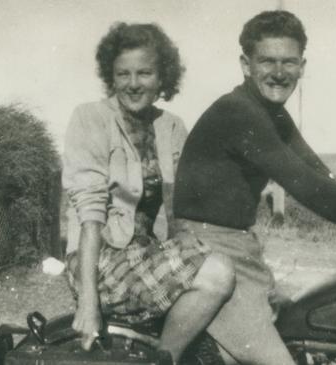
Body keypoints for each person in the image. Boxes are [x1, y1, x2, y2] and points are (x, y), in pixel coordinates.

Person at [173, 10, 336, 365]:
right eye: (267, 61)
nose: (279, 72)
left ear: (302, 66)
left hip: (237, 247)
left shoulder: (269, 112)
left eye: (288, 62)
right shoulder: (238, 112)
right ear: (246, 64)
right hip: (208, 248)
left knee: (304, 331)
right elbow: (305, 185)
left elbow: (313, 169)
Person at [62, 22, 235, 363]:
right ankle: (164, 358)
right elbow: (90, 214)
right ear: (111, 76)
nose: (133, 84)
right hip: (101, 261)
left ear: (162, 79)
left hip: (150, 256)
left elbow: (182, 207)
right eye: (123, 74)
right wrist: (88, 302)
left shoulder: (172, 127)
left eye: (144, 73)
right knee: (218, 273)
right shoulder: (90, 118)